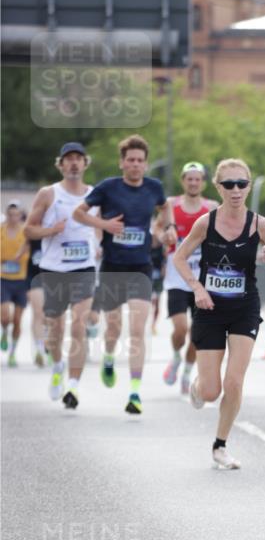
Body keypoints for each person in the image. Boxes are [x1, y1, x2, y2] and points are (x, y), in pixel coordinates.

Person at [173, 158, 265, 470]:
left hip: (244, 308)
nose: (236, 190)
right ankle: (198, 385)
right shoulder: (205, 223)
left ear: (248, 187)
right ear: (218, 188)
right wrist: (197, 288)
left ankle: (220, 445)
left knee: (234, 381)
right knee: (211, 391)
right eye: (229, 184)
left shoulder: (260, 224)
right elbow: (180, 258)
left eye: (242, 184)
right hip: (209, 309)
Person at [72, 134, 174, 414]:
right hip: (113, 268)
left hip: (140, 267)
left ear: (146, 164)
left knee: (138, 331)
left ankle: (135, 393)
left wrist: (165, 228)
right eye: (130, 160)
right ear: (122, 163)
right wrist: (103, 224)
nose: (135, 165)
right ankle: (107, 357)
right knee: (114, 328)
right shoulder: (108, 188)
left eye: (140, 161)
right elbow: (78, 213)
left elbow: (165, 206)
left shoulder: (154, 187)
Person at [25, 142, 99, 407]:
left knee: (79, 324)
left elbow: (97, 229)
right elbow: (28, 230)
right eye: (69, 159)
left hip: (84, 268)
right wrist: (51, 231)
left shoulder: (94, 194)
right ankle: (58, 366)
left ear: (85, 163)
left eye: (78, 158)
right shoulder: (48, 193)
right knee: (55, 328)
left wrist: (99, 247)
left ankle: (74, 386)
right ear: (61, 164)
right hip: (54, 269)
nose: (74, 163)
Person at [161, 161, 217, 395]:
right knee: (180, 329)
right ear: (183, 180)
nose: (193, 182)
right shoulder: (171, 205)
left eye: (197, 179)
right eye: (189, 178)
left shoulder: (212, 207)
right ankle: (175, 357)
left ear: (203, 182)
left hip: (202, 281)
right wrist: (164, 235)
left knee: (197, 334)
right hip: (176, 279)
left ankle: (186, 372)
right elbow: (157, 229)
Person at [0, 201, 29, 367]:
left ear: (20, 215)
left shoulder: (26, 232)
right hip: (3, 278)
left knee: (17, 320)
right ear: (7, 215)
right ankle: (4, 331)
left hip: (21, 280)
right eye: (10, 214)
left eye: (16, 214)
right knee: (5, 316)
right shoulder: (1, 231)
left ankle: (12, 353)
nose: (13, 218)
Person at [26, 237, 47, 366]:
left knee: (50, 316)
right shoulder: (30, 231)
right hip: (34, 277)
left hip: (54, 278)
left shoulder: (58, 229)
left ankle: (49, 344)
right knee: (38, 313)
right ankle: (39, 348)